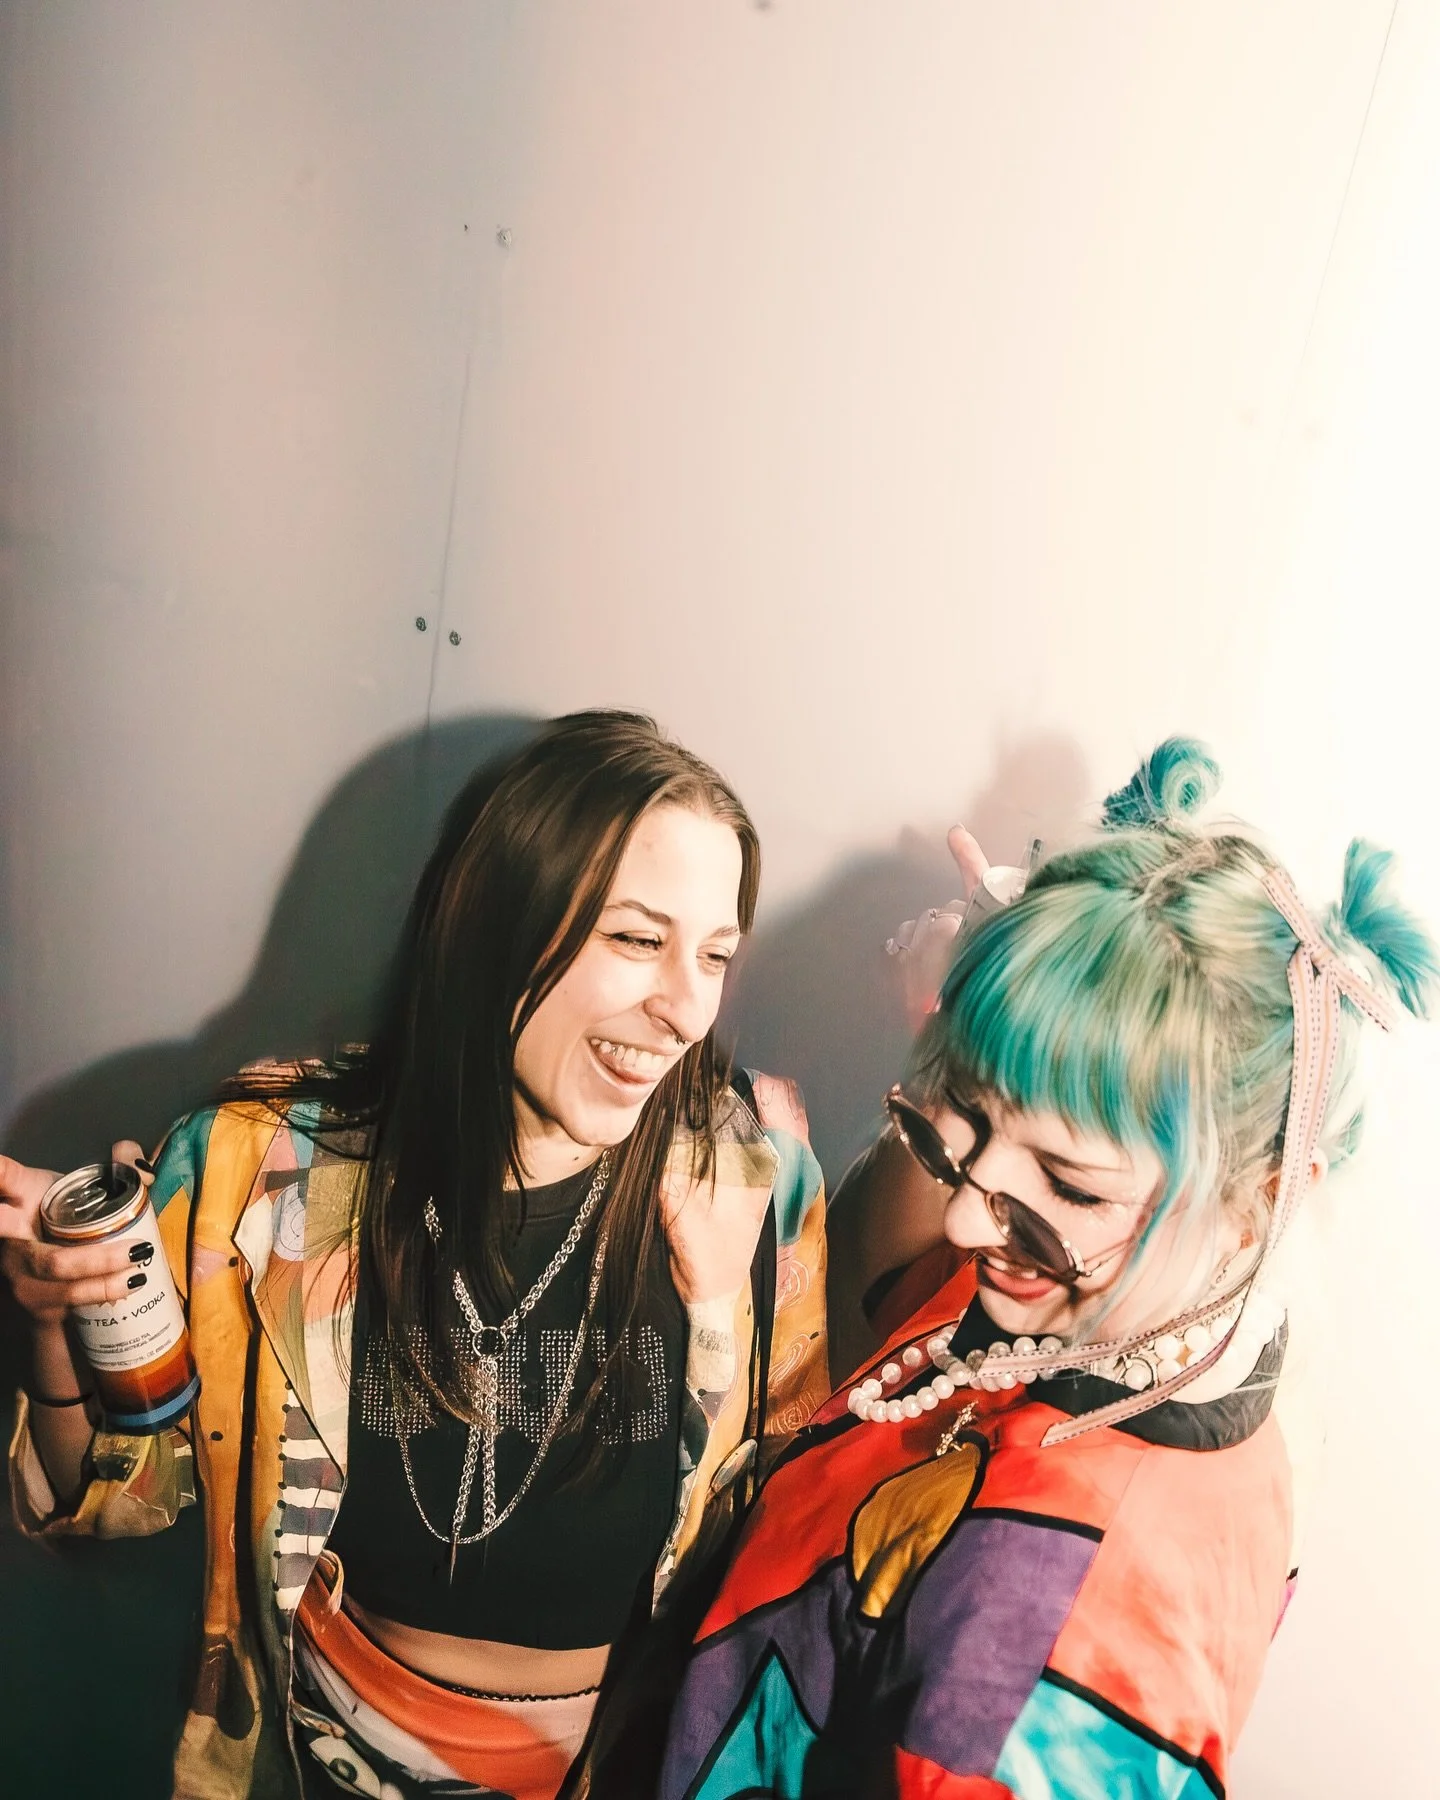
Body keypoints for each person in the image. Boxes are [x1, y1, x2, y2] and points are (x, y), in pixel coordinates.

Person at [1, 710, 830, 1800]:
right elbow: (113, 1500)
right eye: (636, 940)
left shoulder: (758, 1179)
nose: (685, 1008)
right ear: (493, 922)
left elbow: (797, 1528)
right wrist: (58, 1319)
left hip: (617, 1770)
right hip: (318, 1765)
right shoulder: (261, 1168)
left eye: (715, 955)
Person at [658, 738, 1436, 1800]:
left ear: (1257, 1202)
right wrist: (984, 1031)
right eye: (970, 1118)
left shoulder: (1061, 1648)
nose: (968, 1218)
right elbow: (891, 1291)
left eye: (1066, 1180)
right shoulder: (1123, 1298)